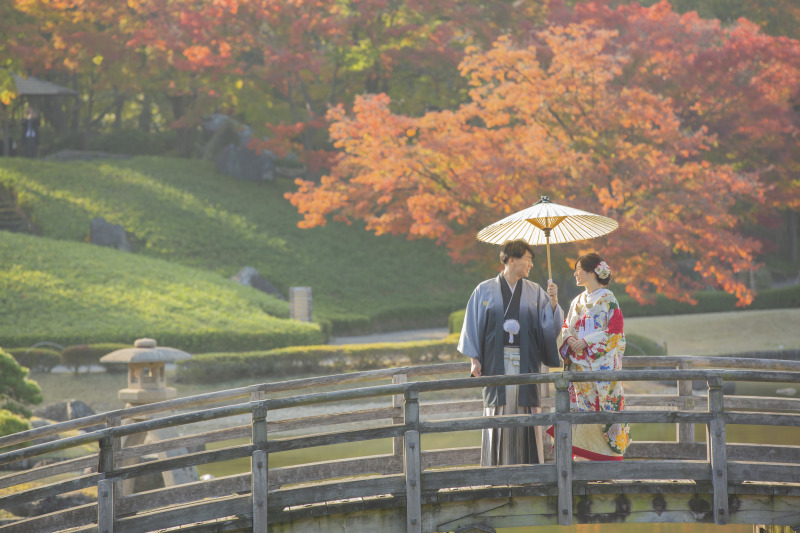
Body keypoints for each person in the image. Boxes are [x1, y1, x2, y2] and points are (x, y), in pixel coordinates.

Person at [458, 239, 564, 466]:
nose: (531, 265)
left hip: (526, 362)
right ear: (512, 259)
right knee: (498, 411)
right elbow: (472, 325)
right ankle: (496, 470)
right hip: (494, 363)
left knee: (527, 411)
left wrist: (553, 302)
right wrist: (474, 358)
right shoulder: (484, 290)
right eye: (528, 259)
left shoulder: (535, 292)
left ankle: (529, 470)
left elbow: (550, 328)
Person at [550, 252, 630, 461]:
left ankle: (605, 459)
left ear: (593, 272)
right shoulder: (577, 300)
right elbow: (566, 326)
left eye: (579, 270)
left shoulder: (608, 298)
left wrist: (586, 342)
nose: (575, 274)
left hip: (600, 367)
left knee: (602, 407)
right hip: (579, 366)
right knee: (580, 408)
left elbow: (615, 332)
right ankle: (582, 457)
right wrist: (569, 339)